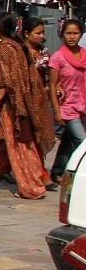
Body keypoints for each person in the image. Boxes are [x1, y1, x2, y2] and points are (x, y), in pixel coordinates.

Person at [0, 15, 53, 200]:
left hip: (12, 105)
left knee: (19, 146)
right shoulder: (19, 46)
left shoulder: (6, 47)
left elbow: (8, 80)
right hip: (24, 101)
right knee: (0, 147)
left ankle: (32, 187)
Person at [52, 20, 86, 188]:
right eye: (68, 33)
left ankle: (57, 171)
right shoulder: (57, 57)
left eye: (75, 33)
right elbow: (52, 85)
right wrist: (57, 112)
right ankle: (76, 174)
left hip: (83, 105)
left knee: (68, 142)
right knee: (82, 140)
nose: (72, 37)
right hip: (67, 107)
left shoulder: (85, 54)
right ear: (62, 35)